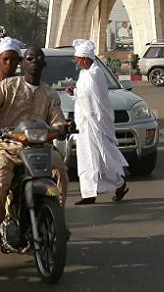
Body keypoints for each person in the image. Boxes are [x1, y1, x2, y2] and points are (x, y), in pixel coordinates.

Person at [0, 46, 69, 271]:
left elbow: (58, 121)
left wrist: (61, 129)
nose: (35, 62)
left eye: (39, 59)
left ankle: (57, 221)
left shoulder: (50, 94)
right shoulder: (8, 86)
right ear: (24, 62)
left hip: (38, 147)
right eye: (30, 58)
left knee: (60, 170)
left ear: (44, 64)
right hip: (5, 147)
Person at [69, 39, 128, 205]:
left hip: (95, 123)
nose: (76, 61)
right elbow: (84, 95)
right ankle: (88, 193)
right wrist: (75, 92)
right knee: (87, 158)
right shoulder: (85, 74)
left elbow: (95, 101)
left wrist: (77, 94)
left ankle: (119, 183)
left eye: (78, 58)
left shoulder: (95, 74)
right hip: (84, 124)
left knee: (103, 157)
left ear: (86, 59)